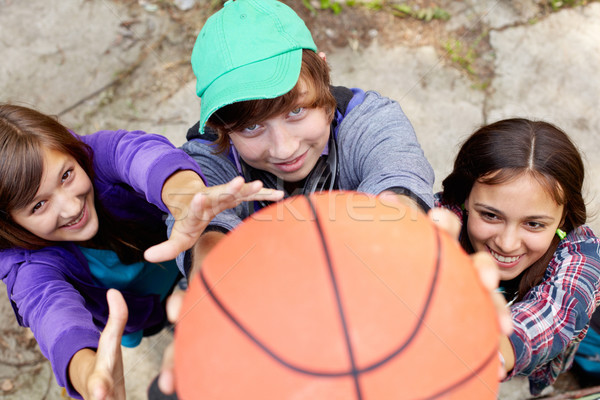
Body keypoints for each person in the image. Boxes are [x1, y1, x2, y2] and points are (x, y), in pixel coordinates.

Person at [0, 104, 282, 400]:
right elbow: (48, 310)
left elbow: (136, 153)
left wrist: (185, 196)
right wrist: (86, 372)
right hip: (143, 313)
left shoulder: (95, 156)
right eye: (38, 205)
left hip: (187, 260)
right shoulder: (27, 265)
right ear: (9, 223)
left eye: (66, 176)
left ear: (71, 152)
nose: (71, 207)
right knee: (174, 323)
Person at [168, 0, 435, 279]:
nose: (285, 148)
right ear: (221, 127)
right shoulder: (207, 154)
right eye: (251, 127)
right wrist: (215, 271)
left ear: (323, 72)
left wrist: (397, 229)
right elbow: (202, 219)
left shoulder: (370, 122)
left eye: (296, 111)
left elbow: (399, 176)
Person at [436, 118, 600, 395]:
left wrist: (491, 355)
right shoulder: (439, 221)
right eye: (490, 215)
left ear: (563, 219)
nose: (507, 244)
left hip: (523, 368)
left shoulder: (582, 256)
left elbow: (555, 314)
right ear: (463, 199)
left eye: (534, 224)